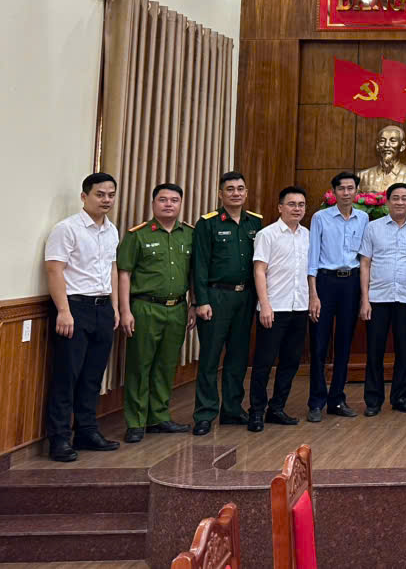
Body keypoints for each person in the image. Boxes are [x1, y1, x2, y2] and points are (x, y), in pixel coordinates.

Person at [44, 172, 122, 462]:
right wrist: (63, 311)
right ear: (84, 196)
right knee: (67, 375)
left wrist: (115, 307)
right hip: (74, 307)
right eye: (100, 194)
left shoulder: (111, 230)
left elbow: (112, 269)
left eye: (111, 195)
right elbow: (54, 269)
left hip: (103, 309)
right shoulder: (67, 229)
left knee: (92, 376)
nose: (106, 200)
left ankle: (87, 431)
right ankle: (59, 438)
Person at [118, 183, 194, 443]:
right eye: (163, 199)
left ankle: (159, 417)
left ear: (181, 204)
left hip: (177, 308)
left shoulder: (189, 234)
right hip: (145, 307)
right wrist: (125, 310)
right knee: (139, 365)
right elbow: (124, 273)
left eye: (174, 200)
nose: (168, 204)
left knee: (166, 365)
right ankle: (136, 422)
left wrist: (193, 304)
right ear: (153, 204)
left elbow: (194, 273)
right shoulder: (137, 235)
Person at [191, 172, 263, 436]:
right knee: (210, 357)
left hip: (245, 297)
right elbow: (199, 265)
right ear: (220, 194)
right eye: (230, 189)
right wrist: (201, 301)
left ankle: (232, 409)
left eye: (240, 188)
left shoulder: (255, 222)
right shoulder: (207, 223)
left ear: (246, 193)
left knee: (238, 356)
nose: (236, 193)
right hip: (216, 297)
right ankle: (205, 413)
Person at [306, 171, 368, 423]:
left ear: (357, 192)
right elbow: (312, 258)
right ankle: (316, 402)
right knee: (319, 344)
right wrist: (313, 294)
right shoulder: (320, 218)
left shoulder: (364, 218)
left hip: (351, 283)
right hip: (325, 282)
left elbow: (364, 258)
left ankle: (337, 399)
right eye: (341, 188)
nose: (346, 192)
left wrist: (364, 295)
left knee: (344, 343)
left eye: (350, 188)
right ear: (333, 192)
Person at [359, 183, 406, 415]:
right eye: (395, 198)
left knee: (404, 351)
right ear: (387, 202)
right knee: (375, 351)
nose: (400, 202)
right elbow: (365, 263)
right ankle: (373, 401)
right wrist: (365, 299)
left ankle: (401, 398)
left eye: (404, 198)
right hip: (378, 298)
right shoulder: (373, 228)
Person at [248, 187, 311, 431]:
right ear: (280, 207)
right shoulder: (267, 234)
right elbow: (259, 270)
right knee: (264, 362)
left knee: (291, 361)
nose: (297, 209)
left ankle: (277, 408)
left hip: (299, 306)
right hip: (274, 307)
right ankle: (256, 411)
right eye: (292, 204)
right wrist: (264, 304)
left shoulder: (307, 235)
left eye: (301, 205)